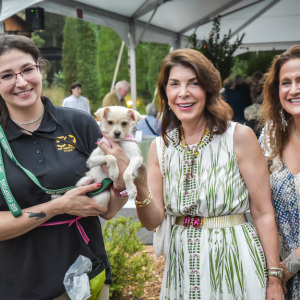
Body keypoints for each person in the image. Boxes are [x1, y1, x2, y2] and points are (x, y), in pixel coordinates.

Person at [133, 48, 283, 299]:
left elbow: (263, 211)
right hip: (181, 267)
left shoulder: (239, 137)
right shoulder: (160, 148)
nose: (183, 93)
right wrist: (138, 185)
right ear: (165, 93)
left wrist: (275, 279)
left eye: (194, 83)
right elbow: (152, 221)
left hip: (236, 262)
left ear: (209, 89)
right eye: (174, 84)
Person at [0, 34, 130, 300]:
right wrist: (58, 206)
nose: (21, 82)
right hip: (17, 285)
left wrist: (121, 184)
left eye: (27, 69)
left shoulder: (78, 123)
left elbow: (106, 210)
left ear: (40, 67)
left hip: (85, 277)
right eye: (7, 75)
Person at [260, 45, 300, 300]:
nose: (294, 89)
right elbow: (261, 206)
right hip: (284, 280)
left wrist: (290, 265)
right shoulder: (271, 137)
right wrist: (275, 273)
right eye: (286, 82)